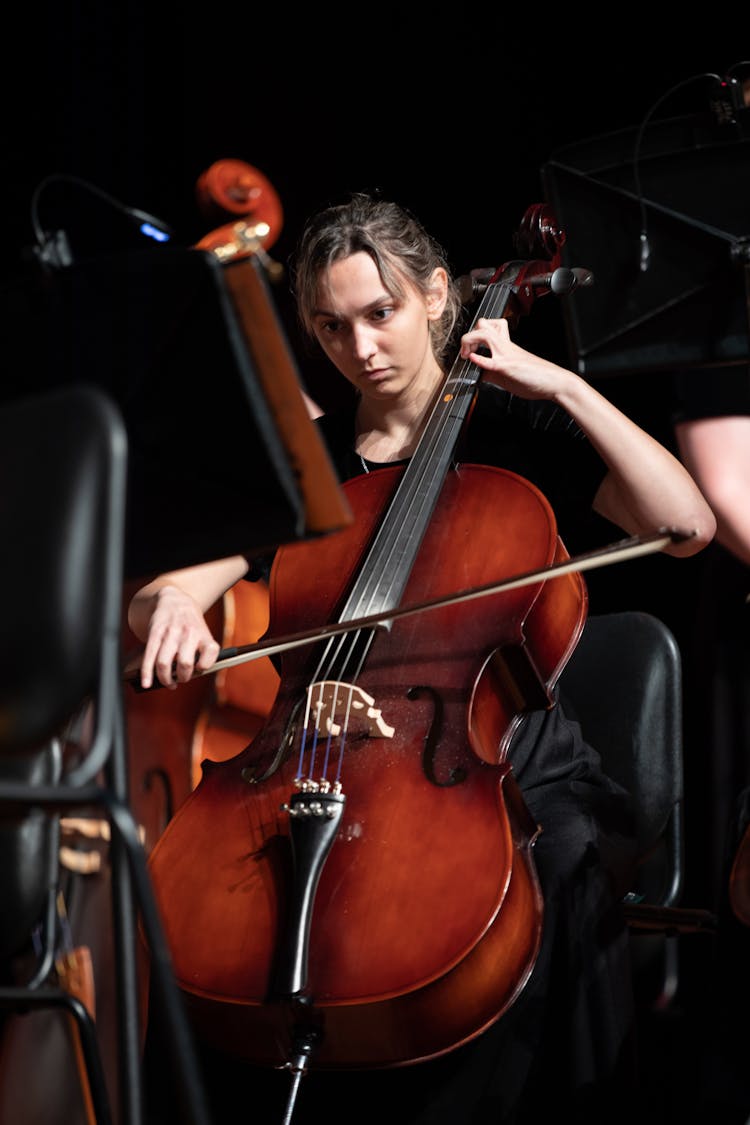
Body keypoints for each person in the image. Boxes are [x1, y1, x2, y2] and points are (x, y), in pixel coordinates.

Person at [129, 193, 715, 1125]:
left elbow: (686, 524)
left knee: (556, 858)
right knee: (192, 920)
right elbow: (171, 586)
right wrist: (167, 605)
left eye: (380, 313)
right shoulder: (308, 460)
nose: (359, 346)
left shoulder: (519, 427)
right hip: (316, 763)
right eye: (331, 324)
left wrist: (558, 384)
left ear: (439, 295)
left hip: (495, 767)